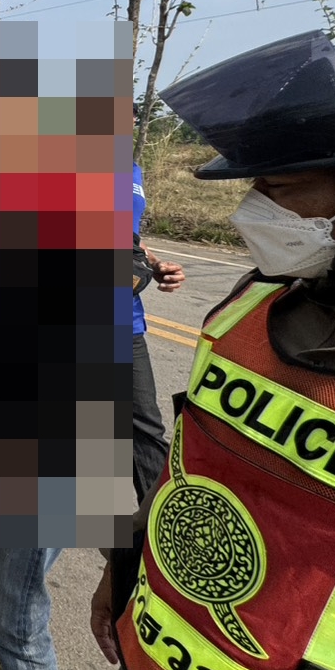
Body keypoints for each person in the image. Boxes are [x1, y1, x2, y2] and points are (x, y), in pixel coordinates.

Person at [90, 31, 335, 670]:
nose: (252, 214)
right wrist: (125, 564)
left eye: (281, 189)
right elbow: (190, 463)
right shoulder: (251, 309)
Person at [131, 162, 186, 502]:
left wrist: (152, 264)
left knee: (145, 431)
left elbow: (130, 237)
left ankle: (155, 524)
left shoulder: (131, 170)